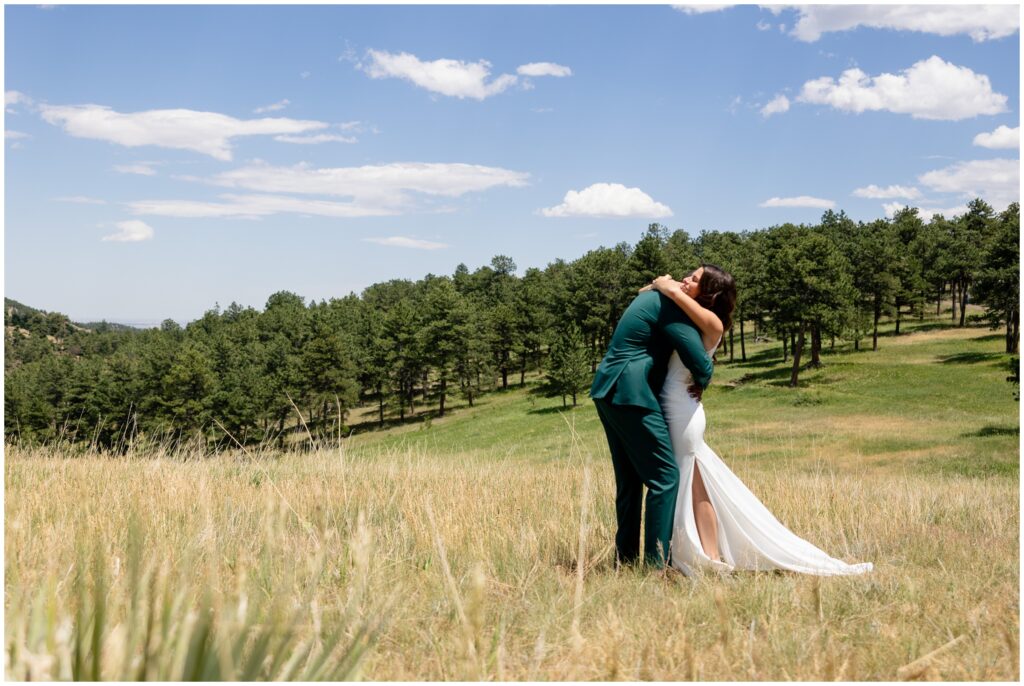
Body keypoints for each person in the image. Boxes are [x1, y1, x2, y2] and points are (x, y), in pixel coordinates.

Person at [648, 266, 873, 577]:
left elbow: (671, 292)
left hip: (682, 413)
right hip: (678, 408)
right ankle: (707, 555)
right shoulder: (694, 317)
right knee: (696, 484)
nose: (686, 279)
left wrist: (664, 283)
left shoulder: (712, 323)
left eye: (695, 279)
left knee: (692, 484)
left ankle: (705, 557)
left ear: (710, 294)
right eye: (689, 275)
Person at [590, 285, 714, 568]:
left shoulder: (651, 296)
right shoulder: (669, 305)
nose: (684, 283)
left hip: (607, 388)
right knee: (666, 477)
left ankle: (627, 561)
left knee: (630, 481)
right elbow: (700, 363)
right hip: (632, 391)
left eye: (693, 280)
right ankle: (656, 566)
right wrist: (704, 377)